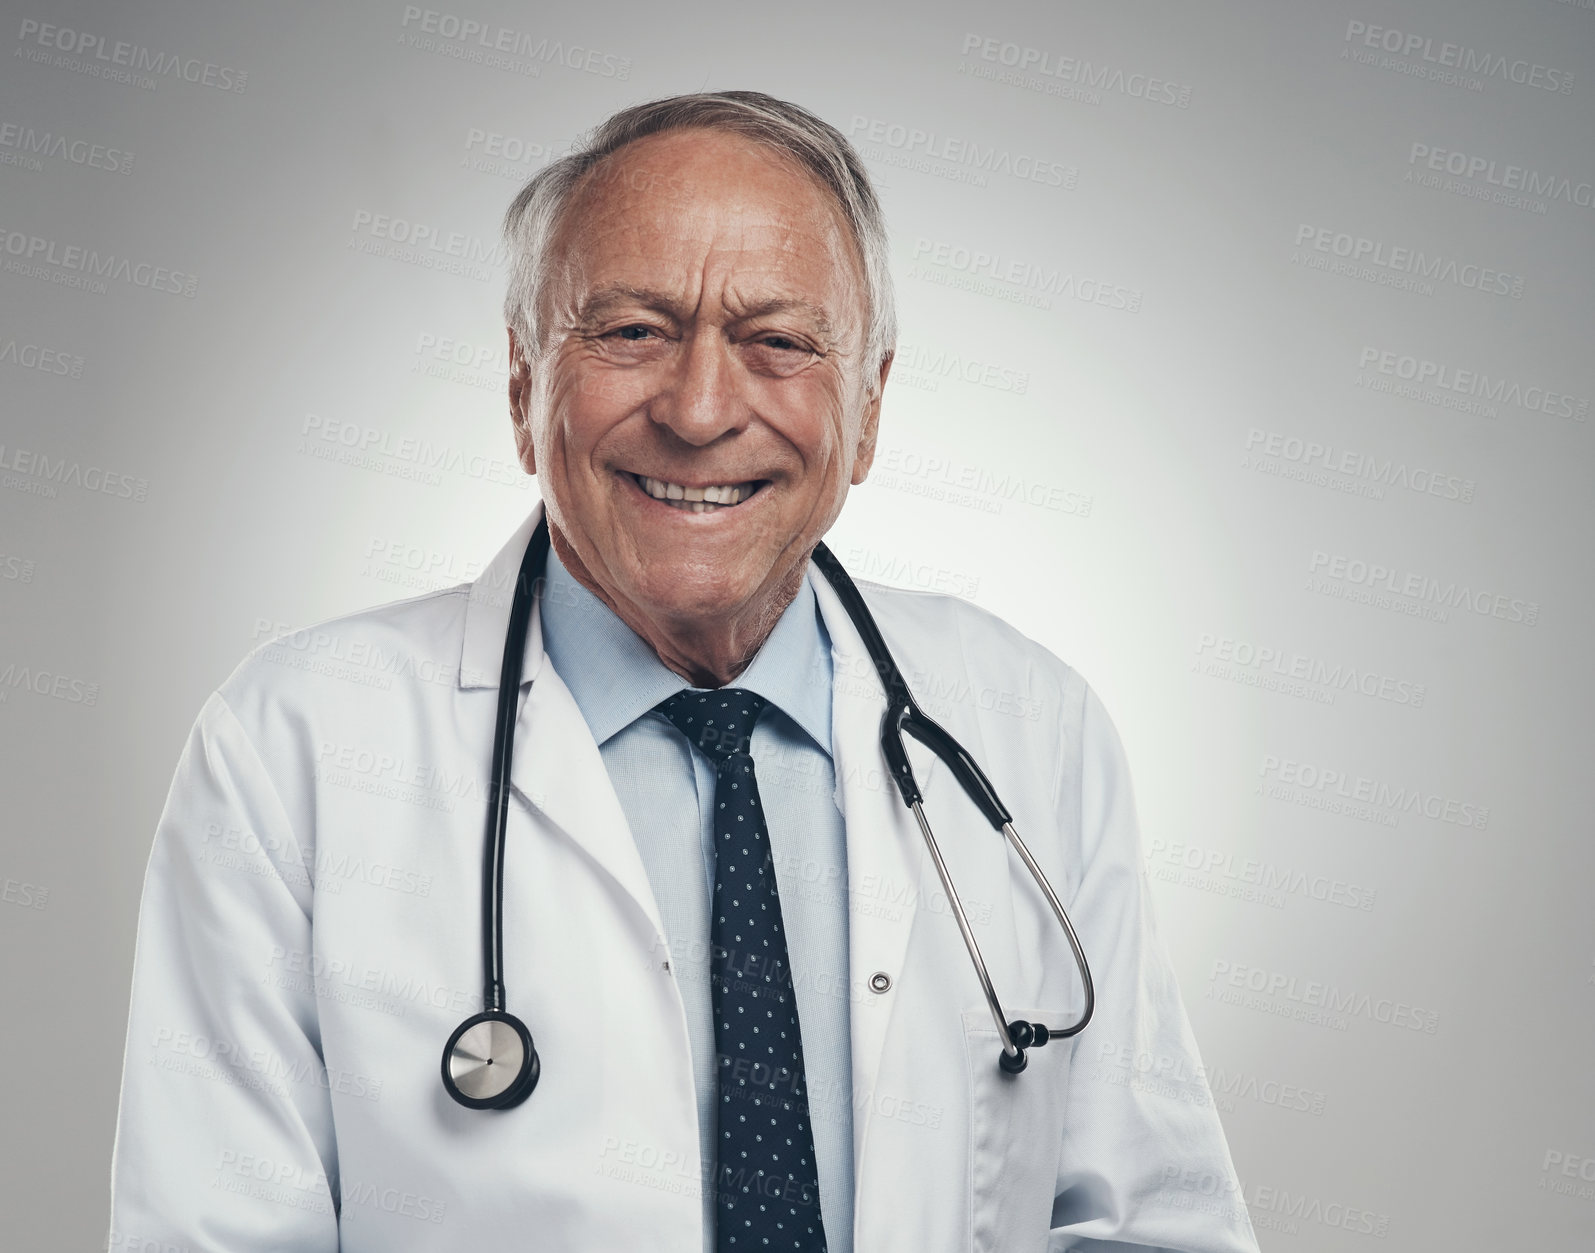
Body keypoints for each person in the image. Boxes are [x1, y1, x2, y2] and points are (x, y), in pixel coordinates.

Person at [109, 91, 1257, 1253]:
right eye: (631, 331)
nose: (701, 410)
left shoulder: (1027, 722)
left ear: (866, 412)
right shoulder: (291, 748)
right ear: (521, 388)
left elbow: (1149, 1225)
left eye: (778, 342)